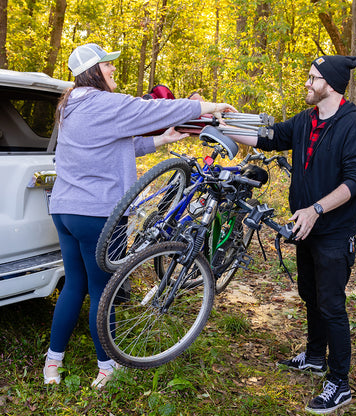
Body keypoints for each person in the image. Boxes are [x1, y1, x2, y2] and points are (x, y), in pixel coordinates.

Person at [43, 43, 236, 388]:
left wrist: (161, 141)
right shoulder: (106, 103)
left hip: (64, 210)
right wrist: (210, 106)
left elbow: (113, 145)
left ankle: (52, 365)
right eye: (107, 65)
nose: (113, 69)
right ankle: (107, 367)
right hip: (98, 214)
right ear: (92, 71)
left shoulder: (70, 105)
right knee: (104, 292)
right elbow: (156, 108)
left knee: (74, 284)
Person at [228, 55, 356, 414]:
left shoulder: (354, 125)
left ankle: (339, 383)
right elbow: (269, 138)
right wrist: (222, 125)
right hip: (304, 227)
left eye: (313, 78)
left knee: (331, 303)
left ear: (331, 83)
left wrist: (317, 209)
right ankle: (313, 356)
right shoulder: (307, 119)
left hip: (333, 231)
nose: (307, 83)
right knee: (309, 292)